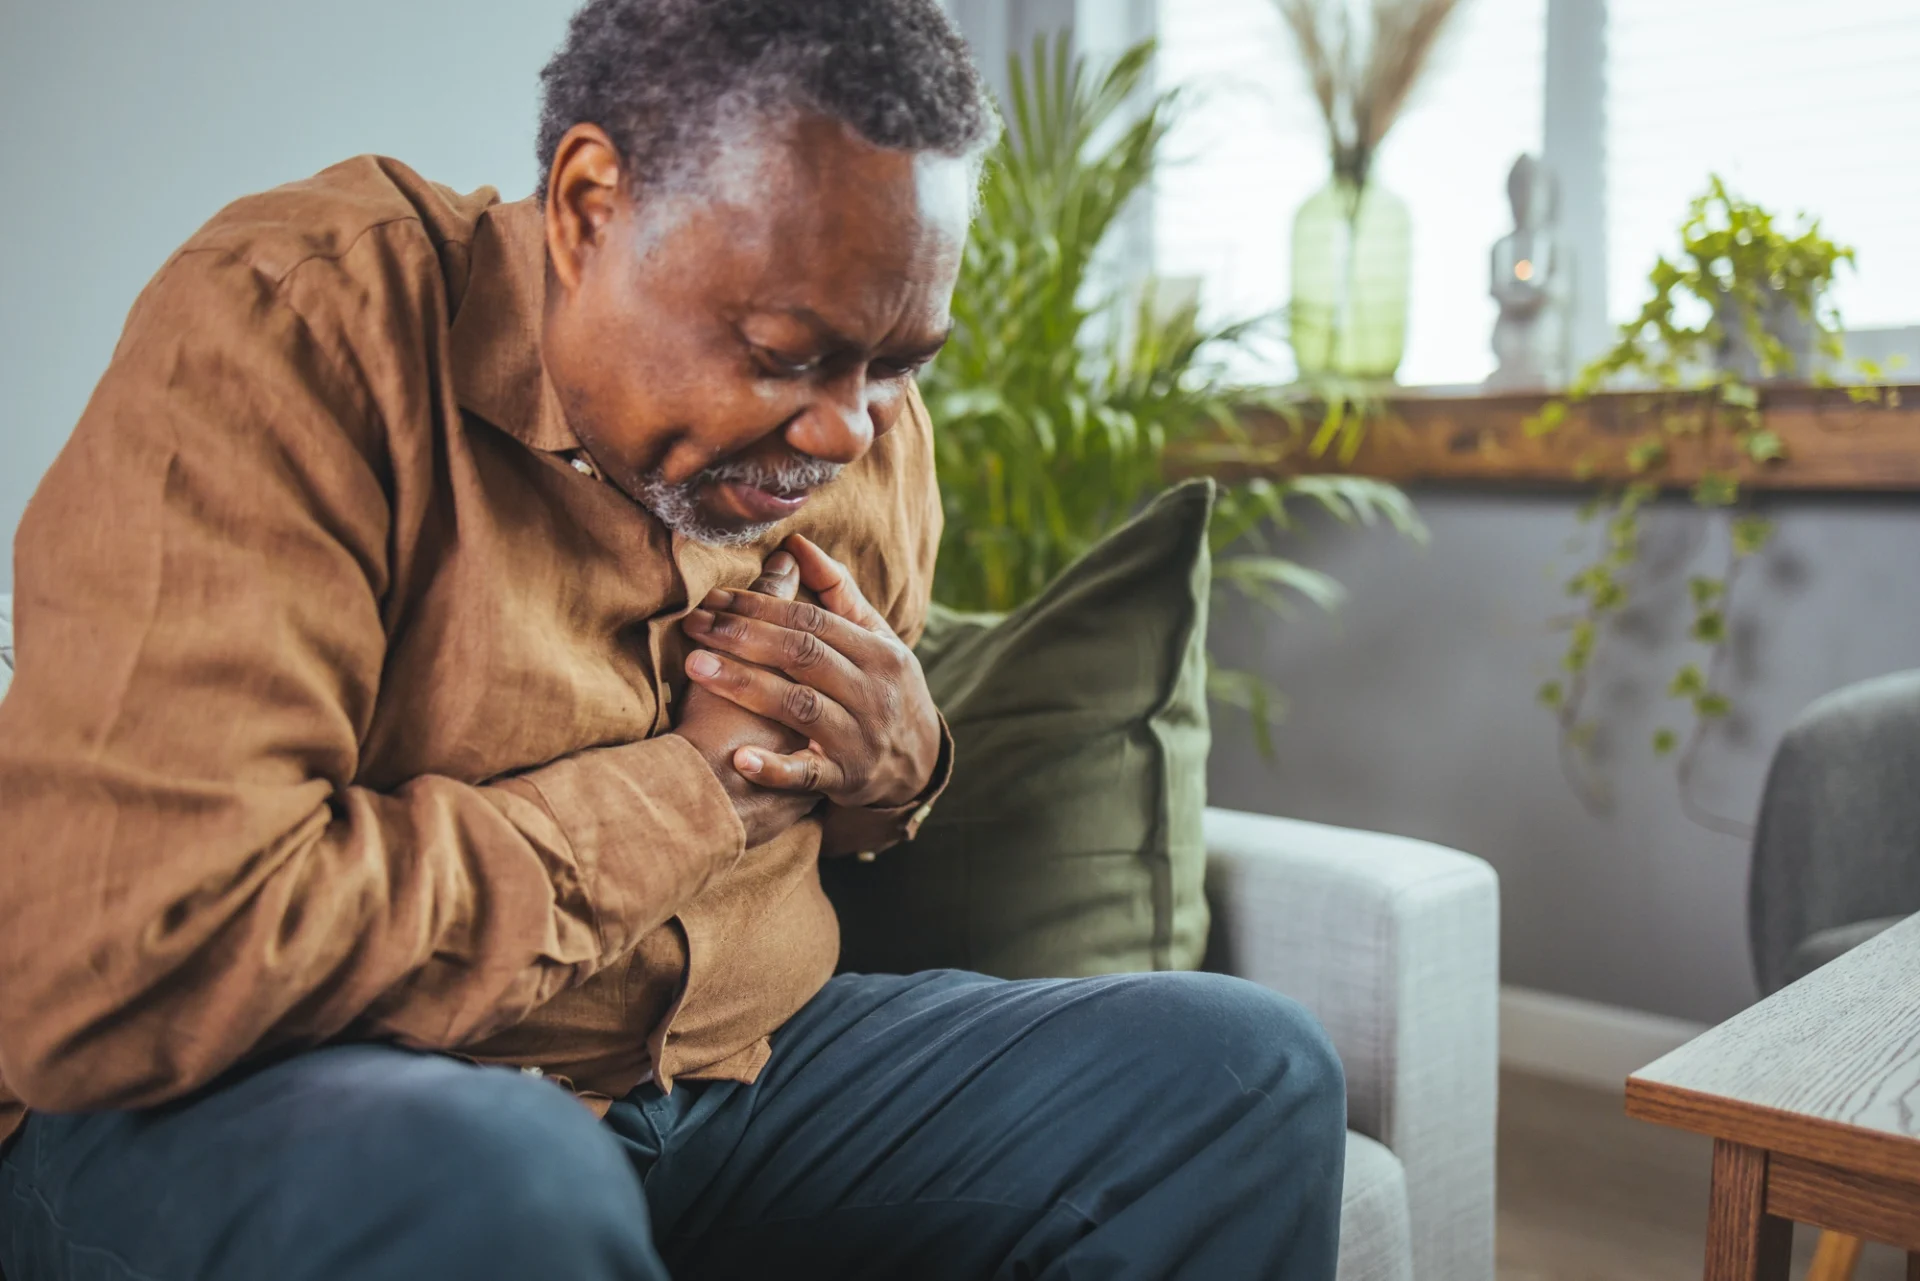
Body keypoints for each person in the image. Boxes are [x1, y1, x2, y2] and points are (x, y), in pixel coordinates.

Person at [0, 2, 1346, 1277]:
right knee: (503, 1179)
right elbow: (136, 957)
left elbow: (836, 801)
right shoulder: (299, 327)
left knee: (1242, 1074)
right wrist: (690, 791)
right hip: (296, 1110)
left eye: (896, 367)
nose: (847, 432)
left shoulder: (860, 432)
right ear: (589, 209)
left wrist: (896, 764)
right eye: (783, 351)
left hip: (727, 1080)